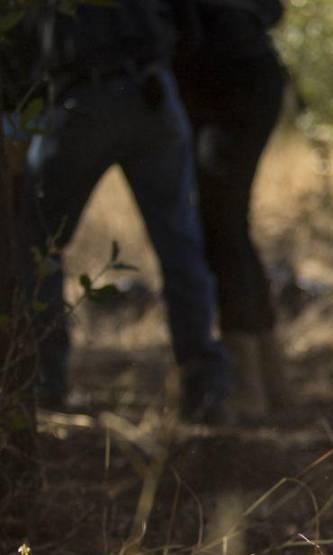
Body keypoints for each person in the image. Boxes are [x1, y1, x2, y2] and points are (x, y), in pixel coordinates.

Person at [22, 0, 231, 424]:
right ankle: (204, 386)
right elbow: (191, 27)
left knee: (34, 240)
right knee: (180, 243)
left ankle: (43, 381)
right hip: (151, 92)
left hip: (84, 98)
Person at [173, 0, 288, 421]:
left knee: (219, 227)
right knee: (228, 226)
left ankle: (249, 387)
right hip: (245, 77)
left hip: (231, 84)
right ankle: (270, 378)